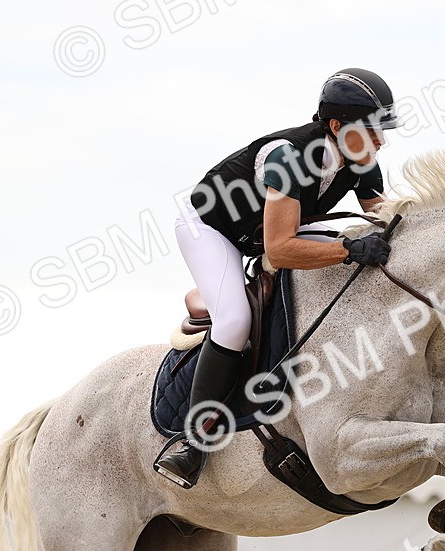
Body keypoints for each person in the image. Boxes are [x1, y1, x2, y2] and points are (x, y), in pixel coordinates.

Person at [155, 68, 401, 489]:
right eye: (374, 130)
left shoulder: (362, 160)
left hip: (267, 231)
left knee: (361, 239)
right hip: (213, 231)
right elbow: (280, 250)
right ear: (338, 127)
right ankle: (192, 444)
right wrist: (346, 251)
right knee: (233, 321)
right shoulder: (286, 157)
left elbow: (385, 221)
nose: (381, 141)